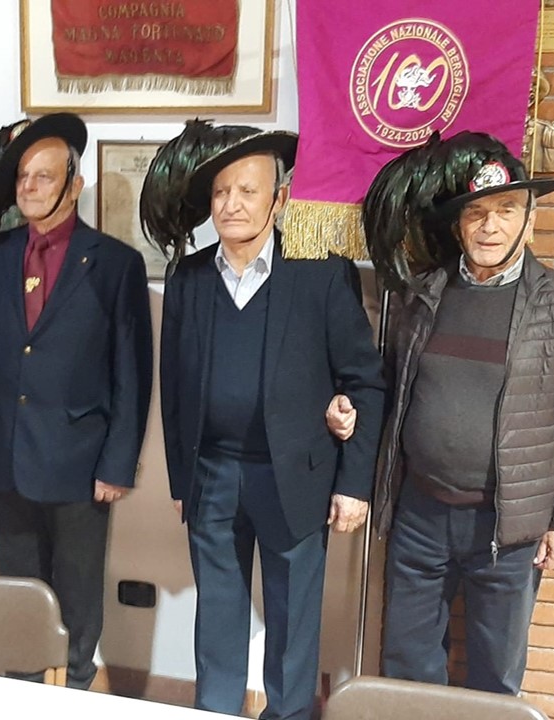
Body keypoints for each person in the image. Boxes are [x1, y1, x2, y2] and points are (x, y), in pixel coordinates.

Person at [0, 113, 153, 690]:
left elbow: (132, 373)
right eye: (22, 177)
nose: (30, 187)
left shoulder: (115, 264)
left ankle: (78, 685)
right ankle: (21, 686)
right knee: (18, 590)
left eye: (44, 176)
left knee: (78, 592)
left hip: (80, 461)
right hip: (7, 454)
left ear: (75, 184)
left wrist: (118, 465)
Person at [143, 123, 386, 718]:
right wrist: (181, 481)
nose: (232, 204)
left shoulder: (320, 274)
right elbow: (173, 389)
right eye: (222, 192)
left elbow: (364, 381)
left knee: (292, 626)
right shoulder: (188, 279)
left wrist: (354, 484)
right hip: (213, 478)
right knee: (216, 620)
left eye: (248, 191)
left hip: (294, 479)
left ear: (278, 199)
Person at [357, 131, 554, 694]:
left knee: (495, 674)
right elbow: (394, 391)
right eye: (476, 213)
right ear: (458, 225)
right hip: (420, 515)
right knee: (407, 667)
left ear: (528, 221)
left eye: (505, 210)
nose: (490, 226)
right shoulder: (424, 294)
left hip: (508, 526)